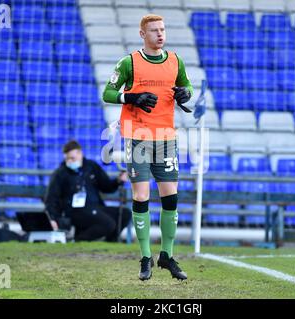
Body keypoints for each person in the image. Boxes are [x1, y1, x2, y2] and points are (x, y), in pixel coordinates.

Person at [102, 14, 193, 281]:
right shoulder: (129, 62)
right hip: (138, 136)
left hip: (166, 137)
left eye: (162, 29)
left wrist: (185, 92)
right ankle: (145, 257)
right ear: (143, 34)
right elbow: (107, 93)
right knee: (141, 197)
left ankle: (167, 255)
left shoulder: (176, 61)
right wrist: (131, 97)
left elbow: (186, 85)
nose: (160, 34)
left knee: (171, 197)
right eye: (154, 30)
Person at [45, 140, 131, 242]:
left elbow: (106, 186)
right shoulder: (60, 173)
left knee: (126, 213)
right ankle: (79, 240)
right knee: (108, 224)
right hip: (75, 211)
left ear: (80, 153)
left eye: (72, 158)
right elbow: (51, 198)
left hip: (96, 207)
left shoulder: (91, 166)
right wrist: (54, 217)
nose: (70, 161)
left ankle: (111, 241)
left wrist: (118, 181)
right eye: (67, 159)